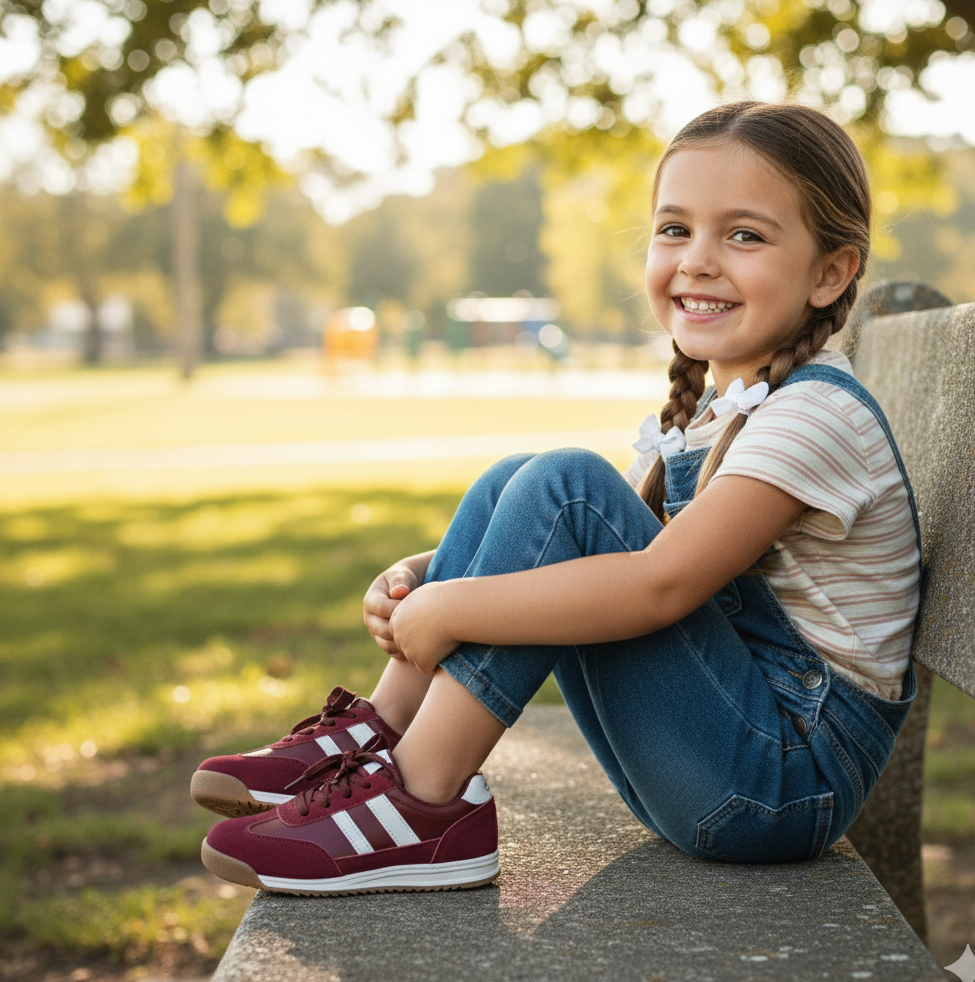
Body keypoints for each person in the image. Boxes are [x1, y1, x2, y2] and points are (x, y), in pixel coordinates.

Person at [194, 101, 921, 895]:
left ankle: (424, 802)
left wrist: (454, 611)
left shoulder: (815, 414)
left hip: (780, 785)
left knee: (568, 488)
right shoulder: (727, 413)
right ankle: (383, 733)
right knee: (521, 477)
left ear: (831, 271)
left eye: (744, 235)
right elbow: (632, 567)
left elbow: (660, 584)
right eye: (675, 230)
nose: (699, 260)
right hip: (733, 758)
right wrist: (427, 578)